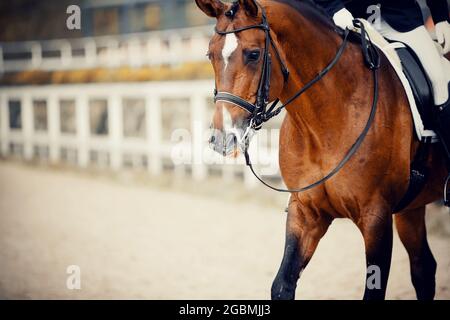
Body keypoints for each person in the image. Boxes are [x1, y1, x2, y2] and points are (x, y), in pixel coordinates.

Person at [313, 0, 450, 161]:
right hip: (351, 21)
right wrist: (334, 8)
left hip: (402, 21)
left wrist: (440, 17)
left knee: (439, 79)